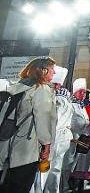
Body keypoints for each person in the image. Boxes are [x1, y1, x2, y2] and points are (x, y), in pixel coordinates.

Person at [0, 57, 57, 193]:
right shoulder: (41, 89)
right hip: (26, 149)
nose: (54, 73)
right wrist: (47, 145)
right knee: (20, 187)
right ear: (43, 71)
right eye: (52, 69)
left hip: (6, 146)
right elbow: (43, 118)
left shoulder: (16, 86)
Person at [35, 67, 73, 193]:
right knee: (55, 170)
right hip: (63, 139)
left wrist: (45, 142)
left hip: (54, 139)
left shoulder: (59, 100)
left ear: (56, 85)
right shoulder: (65, 99)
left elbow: (54, 122)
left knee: (43, 171)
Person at [64, 79, 89, 193]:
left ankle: (67, 184)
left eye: (84, 92)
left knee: (72, 164)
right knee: (66, 163)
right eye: (80, 92)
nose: (83, 94)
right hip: (70, 139)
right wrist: (71, 136)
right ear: (74, 92)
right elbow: (66, 122)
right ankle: (63, 186)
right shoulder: (71, 105)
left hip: (79, 139)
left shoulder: (81, 106)